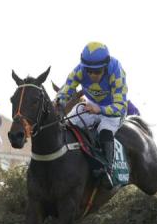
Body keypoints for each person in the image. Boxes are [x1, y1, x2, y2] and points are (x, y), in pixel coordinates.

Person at [55, 42, 130, 189]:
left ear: (105, 66)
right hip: (91, 106)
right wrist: (57, 104)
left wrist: (99, 109)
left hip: (113, 111)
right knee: (68, 125)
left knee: (104, 131)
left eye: (97, 72)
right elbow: (65, 91)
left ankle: (107, 171)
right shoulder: (79, 70)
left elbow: (121, 106)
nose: (92, 75)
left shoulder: (116, 71)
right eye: (89, 71)